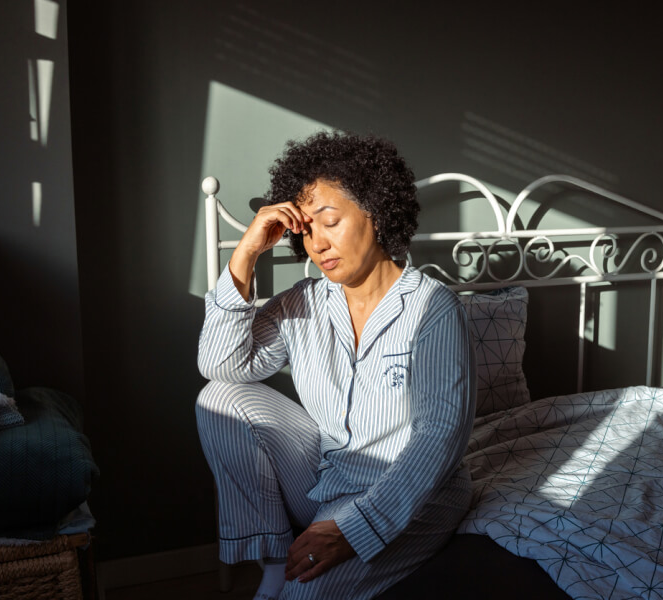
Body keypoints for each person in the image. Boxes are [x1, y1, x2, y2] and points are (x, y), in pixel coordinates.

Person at [196, 131, 476, 600]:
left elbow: (439, 437)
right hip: (330, 480)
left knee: (306, 593)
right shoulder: (301, 304)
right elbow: (219, 365)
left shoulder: (434, 308)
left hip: (413, 498)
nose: (318, 245)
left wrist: (354, 529)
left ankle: (295, 574)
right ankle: (274, 561)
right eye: (307, 230)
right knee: (219, 398)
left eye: (330, 222)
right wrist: (245, 254)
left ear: (377, 211)